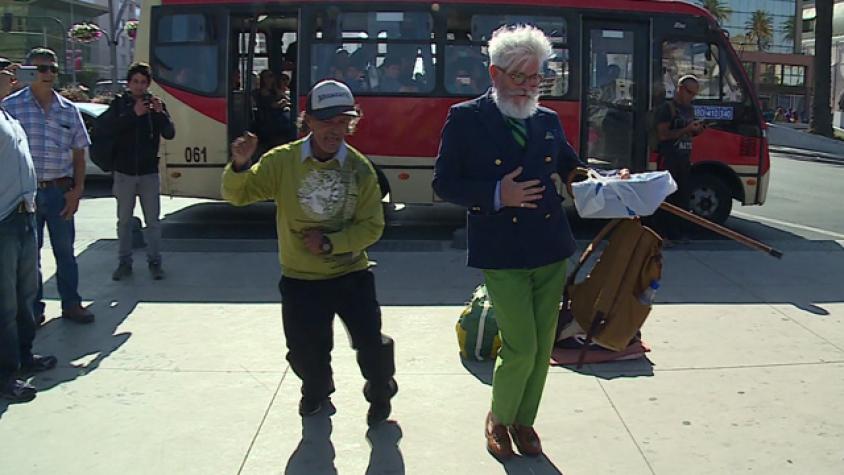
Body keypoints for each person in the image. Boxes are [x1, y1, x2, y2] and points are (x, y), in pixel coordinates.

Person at [433, 25, 628, 460]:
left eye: (535, 77)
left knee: (542, 346)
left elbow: (570, 166)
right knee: (520, 344)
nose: (526, 87)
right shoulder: (467, 117)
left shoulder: (547, 120)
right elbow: (444, 182)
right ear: (495, 73)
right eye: (518, 76)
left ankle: (524, 420)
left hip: (549, 246)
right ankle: (499, 418)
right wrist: (499, 194)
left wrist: (605, 180)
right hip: (501, 249)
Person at [222, 79, 398, 426]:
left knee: (372, 347)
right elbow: (238, 196)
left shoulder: (360, 169)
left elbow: (372, 226)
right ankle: (317, 390)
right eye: (326, 121)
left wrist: (332, 242)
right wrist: (240, 166)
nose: (335, 130)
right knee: (305, 354)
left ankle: (380, 391)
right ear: (309, 122)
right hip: (300, 279)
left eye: (342, 122)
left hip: (351, 276)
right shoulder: (283, 162)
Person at [2, 48, 94, 325]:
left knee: (65, 251)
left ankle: (71, 303)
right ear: (27, 72)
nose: (48, 74)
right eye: (41, 69)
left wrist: (77, 190)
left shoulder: (68, 109)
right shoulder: (11, 106)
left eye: (52, 69)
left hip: (59, 191)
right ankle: (35, 309)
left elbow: (80, 153)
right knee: (31, 258)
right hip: (24, 194)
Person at [0, 62, 58, 402]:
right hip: (4, 221)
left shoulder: (7, 116)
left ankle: (24, 358)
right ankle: (6, 375)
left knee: (24, 296)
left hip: (23, 217)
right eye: (5, 74)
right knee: (5, 304)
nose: (12, 78)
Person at [95, 62, 175, 281]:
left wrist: (160, 114)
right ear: (129, 84)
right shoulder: (120, 105)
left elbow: (169, 133)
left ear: (148, 84)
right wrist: (133, 114)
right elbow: (107, 129)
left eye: (143, 82)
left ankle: (155, 262)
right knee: (124, 220)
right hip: (124, 172)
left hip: (149, 172)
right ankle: (124, 262)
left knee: (153, 221)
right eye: (135, 82)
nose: (139, 87)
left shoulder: (155, 105)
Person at [653, 74, 703, 244]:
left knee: (682, 197)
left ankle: (677, 233)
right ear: (680, 89)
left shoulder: (690, 109)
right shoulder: (667, 108)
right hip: (669, 158)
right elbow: (663, 135)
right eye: (690, 92)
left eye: (695, 94)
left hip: (684, 158)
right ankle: (662, 234)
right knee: (667, 197)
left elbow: (688, 132)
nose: (692, 97)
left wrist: (696, 130)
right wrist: (686, 129)